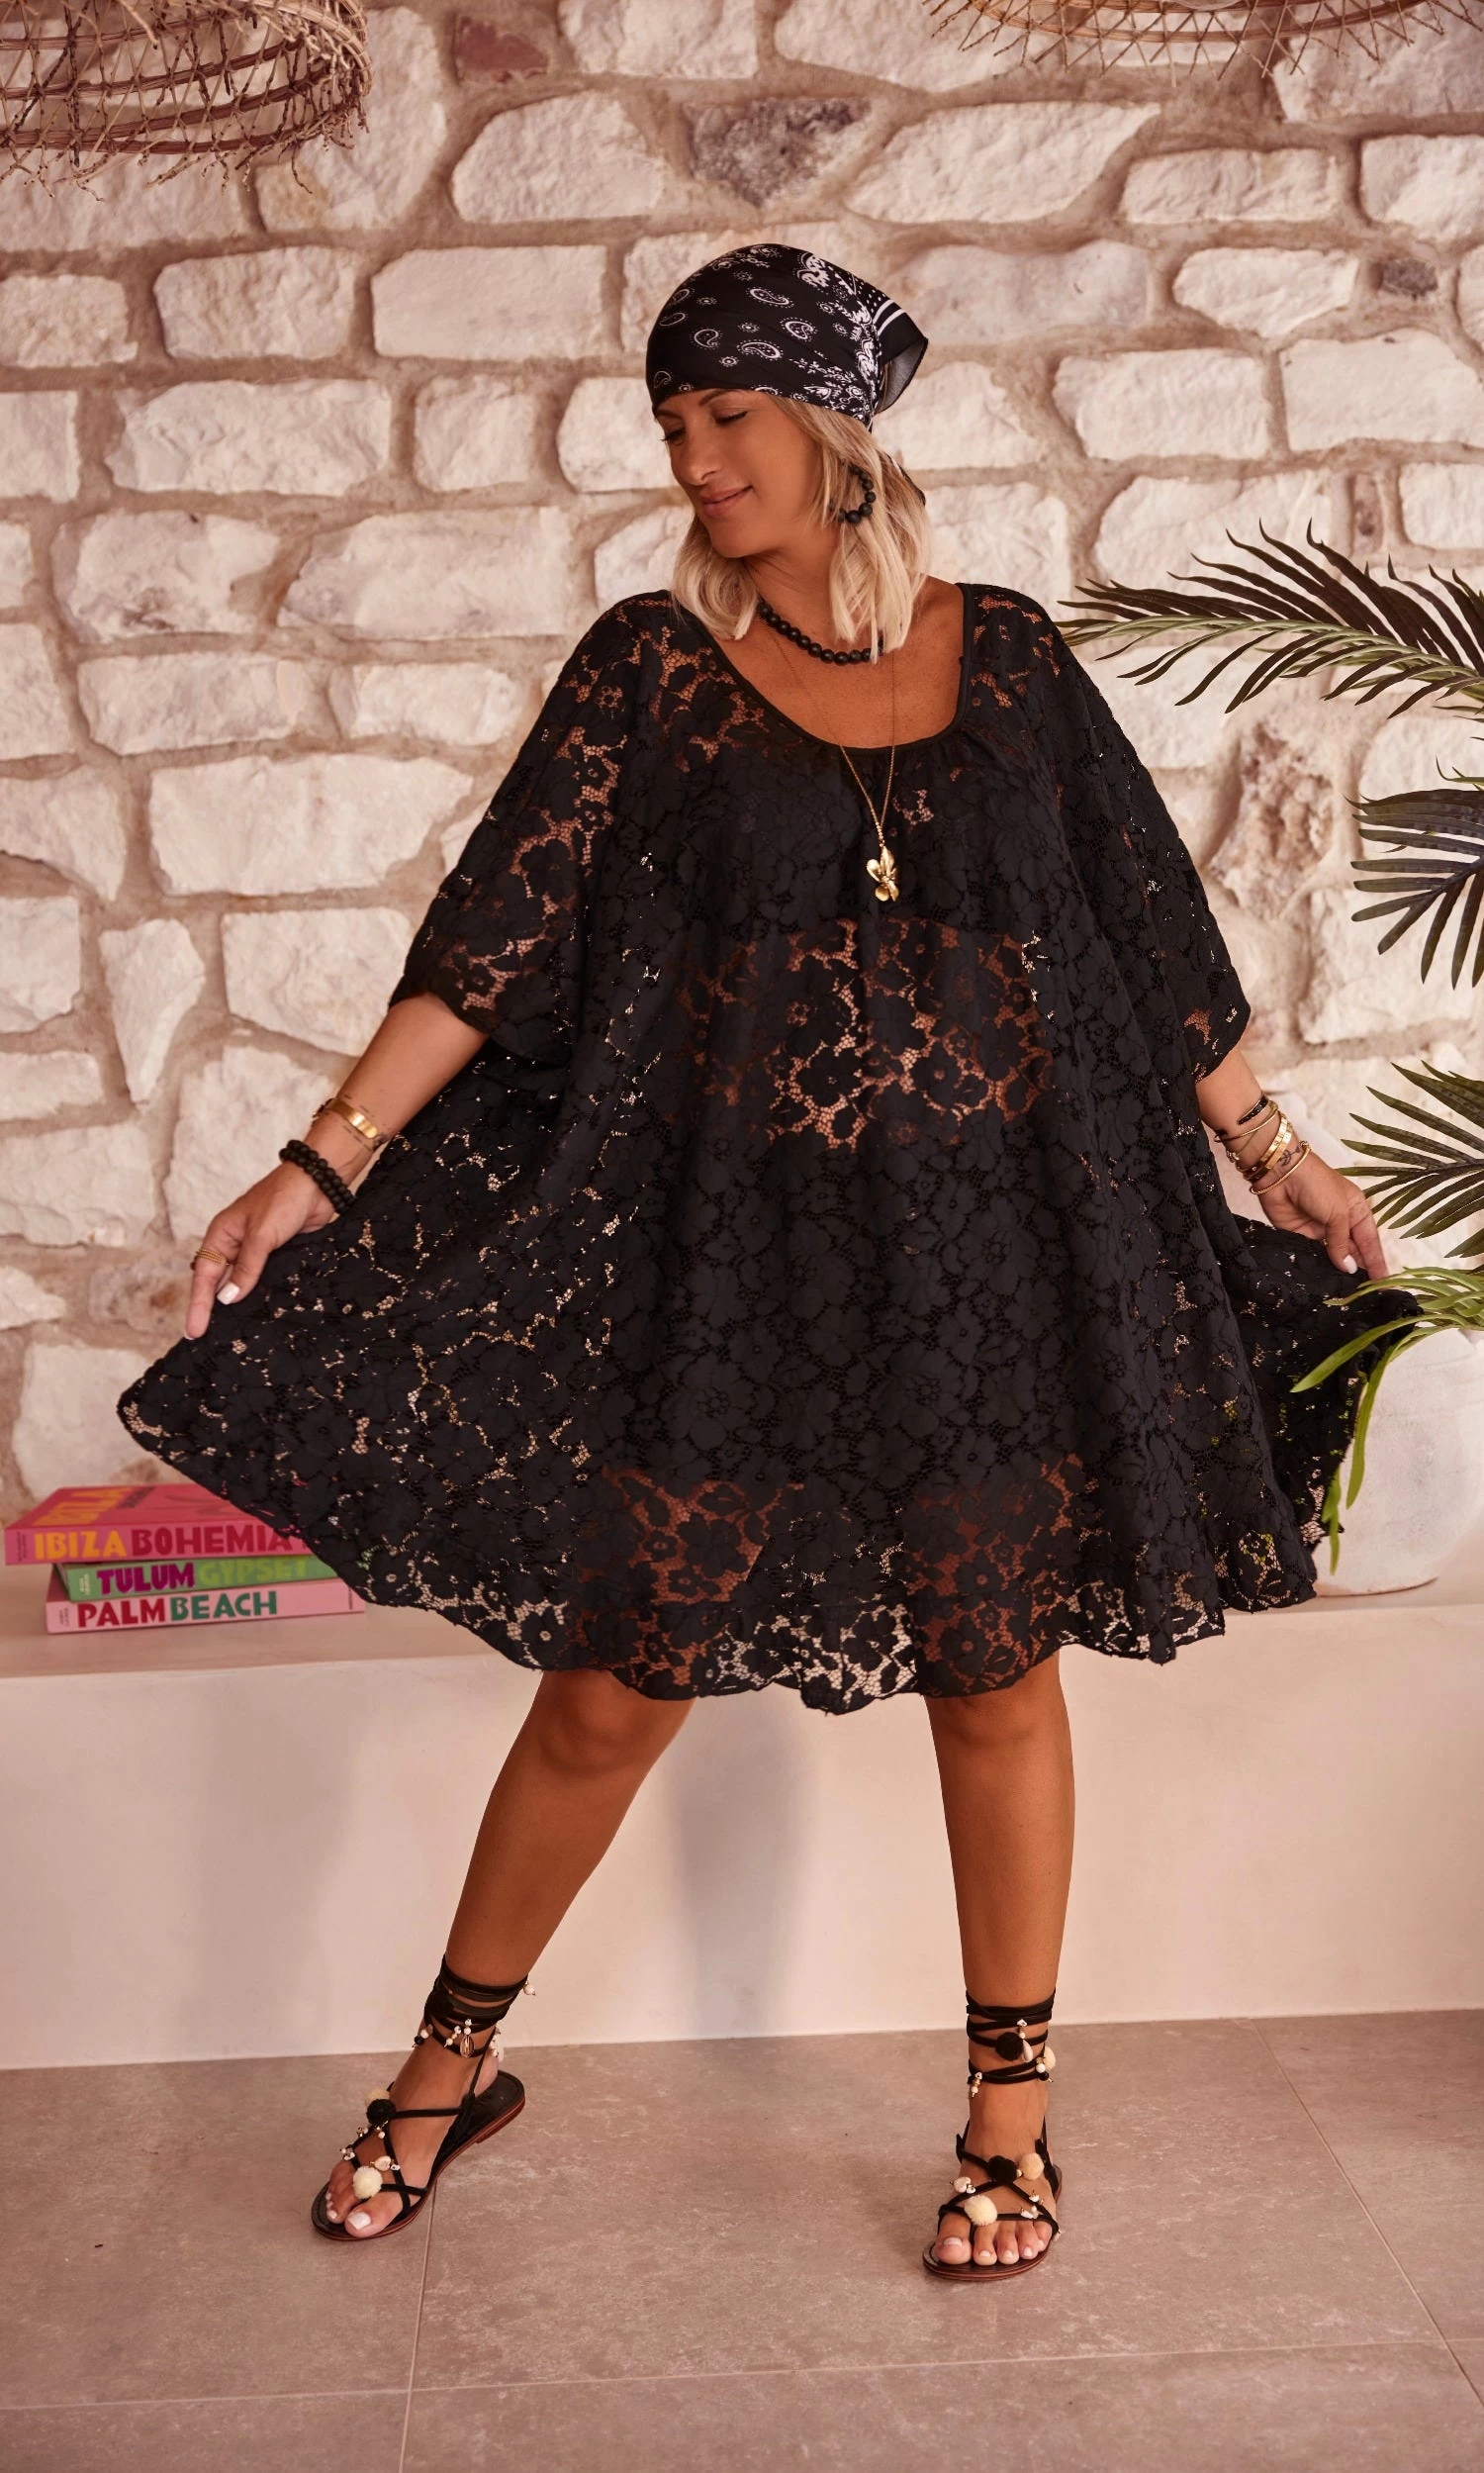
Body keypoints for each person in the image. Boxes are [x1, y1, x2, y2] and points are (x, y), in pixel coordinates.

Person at [118, 243, 1401, 2282]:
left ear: (831, 430)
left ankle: (1009, 2125)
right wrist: (319, 1166)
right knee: (613, 1686)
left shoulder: (1014, 660)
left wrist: (1285, 1159)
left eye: (726, 418)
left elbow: (1153, 935)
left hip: (985, 1265)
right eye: (673, 426)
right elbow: (493, 944)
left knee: (995, 1675)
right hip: (730, 1270)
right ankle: (448, 2069)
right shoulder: (649, 671)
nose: (693, 459)